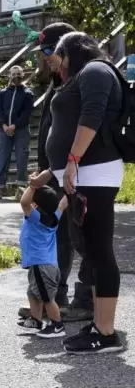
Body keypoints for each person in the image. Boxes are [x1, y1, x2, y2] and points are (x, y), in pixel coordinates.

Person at [34, 31, 125, 354]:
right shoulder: (86, 74)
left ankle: (106, 331)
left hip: (94, 172)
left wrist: (71, 161)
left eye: (57, 61)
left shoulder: (96, 71)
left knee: (99, 250)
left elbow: (92, 115)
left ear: (71, 52)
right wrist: (54, 169)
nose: (56, 69)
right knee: (91, 249)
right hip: (84, 173)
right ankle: (101, 325)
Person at [21, 21, 93, 322]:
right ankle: (52, 295)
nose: (46, 57)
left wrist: (57, 169)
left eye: (50, 50)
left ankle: (85, 300)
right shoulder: (59, 82)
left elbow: (82, 132)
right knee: (60, 238)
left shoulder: (82, 81)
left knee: (84, 239)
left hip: (78, 176)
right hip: (55, 174)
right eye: (44, 51)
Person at [16, 184, 68, 338]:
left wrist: (33, 186)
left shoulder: (35, 217)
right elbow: (62, 205)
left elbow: (24, 203)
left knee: (46, 297)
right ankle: (36, 320)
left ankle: (57, 325)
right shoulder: (54, 218)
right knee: (33, 293)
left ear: (35, 204)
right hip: (43, 265)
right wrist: (70, 191)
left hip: (41, 265)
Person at [0, 66, 34, 193]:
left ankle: (21, 186)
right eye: (13, 74)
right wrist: (4, 125)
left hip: (21, 129)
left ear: (23, 75)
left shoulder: (28, 93)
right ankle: (0, 186)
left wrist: (14, 125)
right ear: (9, 75)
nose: (16, 76)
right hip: (4, 130)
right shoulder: (2, 93)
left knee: (22, 156)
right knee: (2, 156)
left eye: (19, 74)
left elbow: (27, 113)